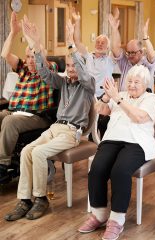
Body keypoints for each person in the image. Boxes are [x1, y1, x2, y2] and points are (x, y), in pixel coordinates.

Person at [4, 17, 95, 221]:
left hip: (72, 132)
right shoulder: (63, 83)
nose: (71, 69)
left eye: (74, 65)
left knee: (38, 153)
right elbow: (44, 73)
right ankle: (25, 200)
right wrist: (35, 45)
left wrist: (72, 43)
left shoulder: (88, 84)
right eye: (69, 65)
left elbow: (82, 70)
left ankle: (41, 198)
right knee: (28, 150)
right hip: (55, 128)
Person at [78, 65, 155, 240]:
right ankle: (99, 214)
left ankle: (116, 220)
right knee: (97, 169)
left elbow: (138, 117)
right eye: (129, 81)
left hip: (137, 143)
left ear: (145, 84)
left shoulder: (151, 98)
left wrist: (118, 99)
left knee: (120, 171)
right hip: (112, 139)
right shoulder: (119, 94)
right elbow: (101, 110)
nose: (132, 85)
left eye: (137, 82)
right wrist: (107, 98)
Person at [0, 12, 57, 181]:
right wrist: (13, 32)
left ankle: (3, 165)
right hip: (17, 113)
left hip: (38, 116)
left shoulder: (49, 69)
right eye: (28, 57)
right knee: (5, 117)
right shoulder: (23, 69)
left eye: (34, 57)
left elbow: (41, 60)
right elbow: (4, 54)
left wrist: (35, 41)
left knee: (9, 121)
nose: (31, 61)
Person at [71, 7, 116, 137]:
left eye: (103, 43)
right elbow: (77, 41)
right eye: (98, 42)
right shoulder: (88, 56)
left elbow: (115, 47)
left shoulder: (110, 60)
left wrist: (113, 28)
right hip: (87, 96)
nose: (100, 44)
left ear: (107, 47)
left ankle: (101, 140)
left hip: (103, 97)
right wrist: (78, 21)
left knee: (102, 123)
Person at [108, 9, 155, 91]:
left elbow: (152, 55)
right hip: (124, 98)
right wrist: (114, 29)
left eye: (133, 53)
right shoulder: (125, 61)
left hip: (142, 100)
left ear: (141, 52)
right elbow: (115, 48)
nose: (130, 55)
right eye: (128, 52)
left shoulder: (146, 62)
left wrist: (145, 35)